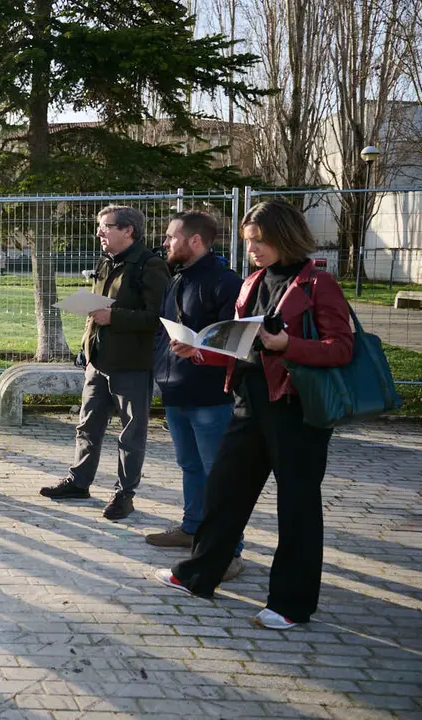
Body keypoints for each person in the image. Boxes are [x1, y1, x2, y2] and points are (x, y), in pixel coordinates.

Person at [157, 200, 353, 631]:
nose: (254, 249)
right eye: (249, 243)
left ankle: (291, 604)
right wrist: (200, 351)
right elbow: (241, 345)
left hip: (298, 410)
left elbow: (342, 348)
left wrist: (289, 347)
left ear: (285, 235)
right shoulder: (253, 282)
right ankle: (198, 575)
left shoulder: (318, 283)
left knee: (297, 506)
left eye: (260, 241)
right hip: (247, 402)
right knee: (225, 492)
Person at [40, 205, 170, 520]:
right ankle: (79, 482)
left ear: (128, 230)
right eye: (100, 226)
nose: (99, 232)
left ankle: (124, 494)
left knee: (131, 432)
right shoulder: (106, 262)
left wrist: (114, 317)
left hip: (132, 364)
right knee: (87, 425)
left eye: (106, 226)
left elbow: (159, 318)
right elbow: (97, 313)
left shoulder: (150, 266)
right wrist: (87, 349)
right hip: (98, 362)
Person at [147, 212, 245, 581]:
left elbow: (234, 339)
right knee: (189, 466)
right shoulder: (177, 279)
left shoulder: (225, 282)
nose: (166, 242)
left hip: (211, 396)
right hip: (175, 390)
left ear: (195, 241)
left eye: (171, 237)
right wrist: (161, 366)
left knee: (218, 474)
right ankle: (191, 529)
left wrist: (200, 351)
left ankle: (230, 551)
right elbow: (162, 329)